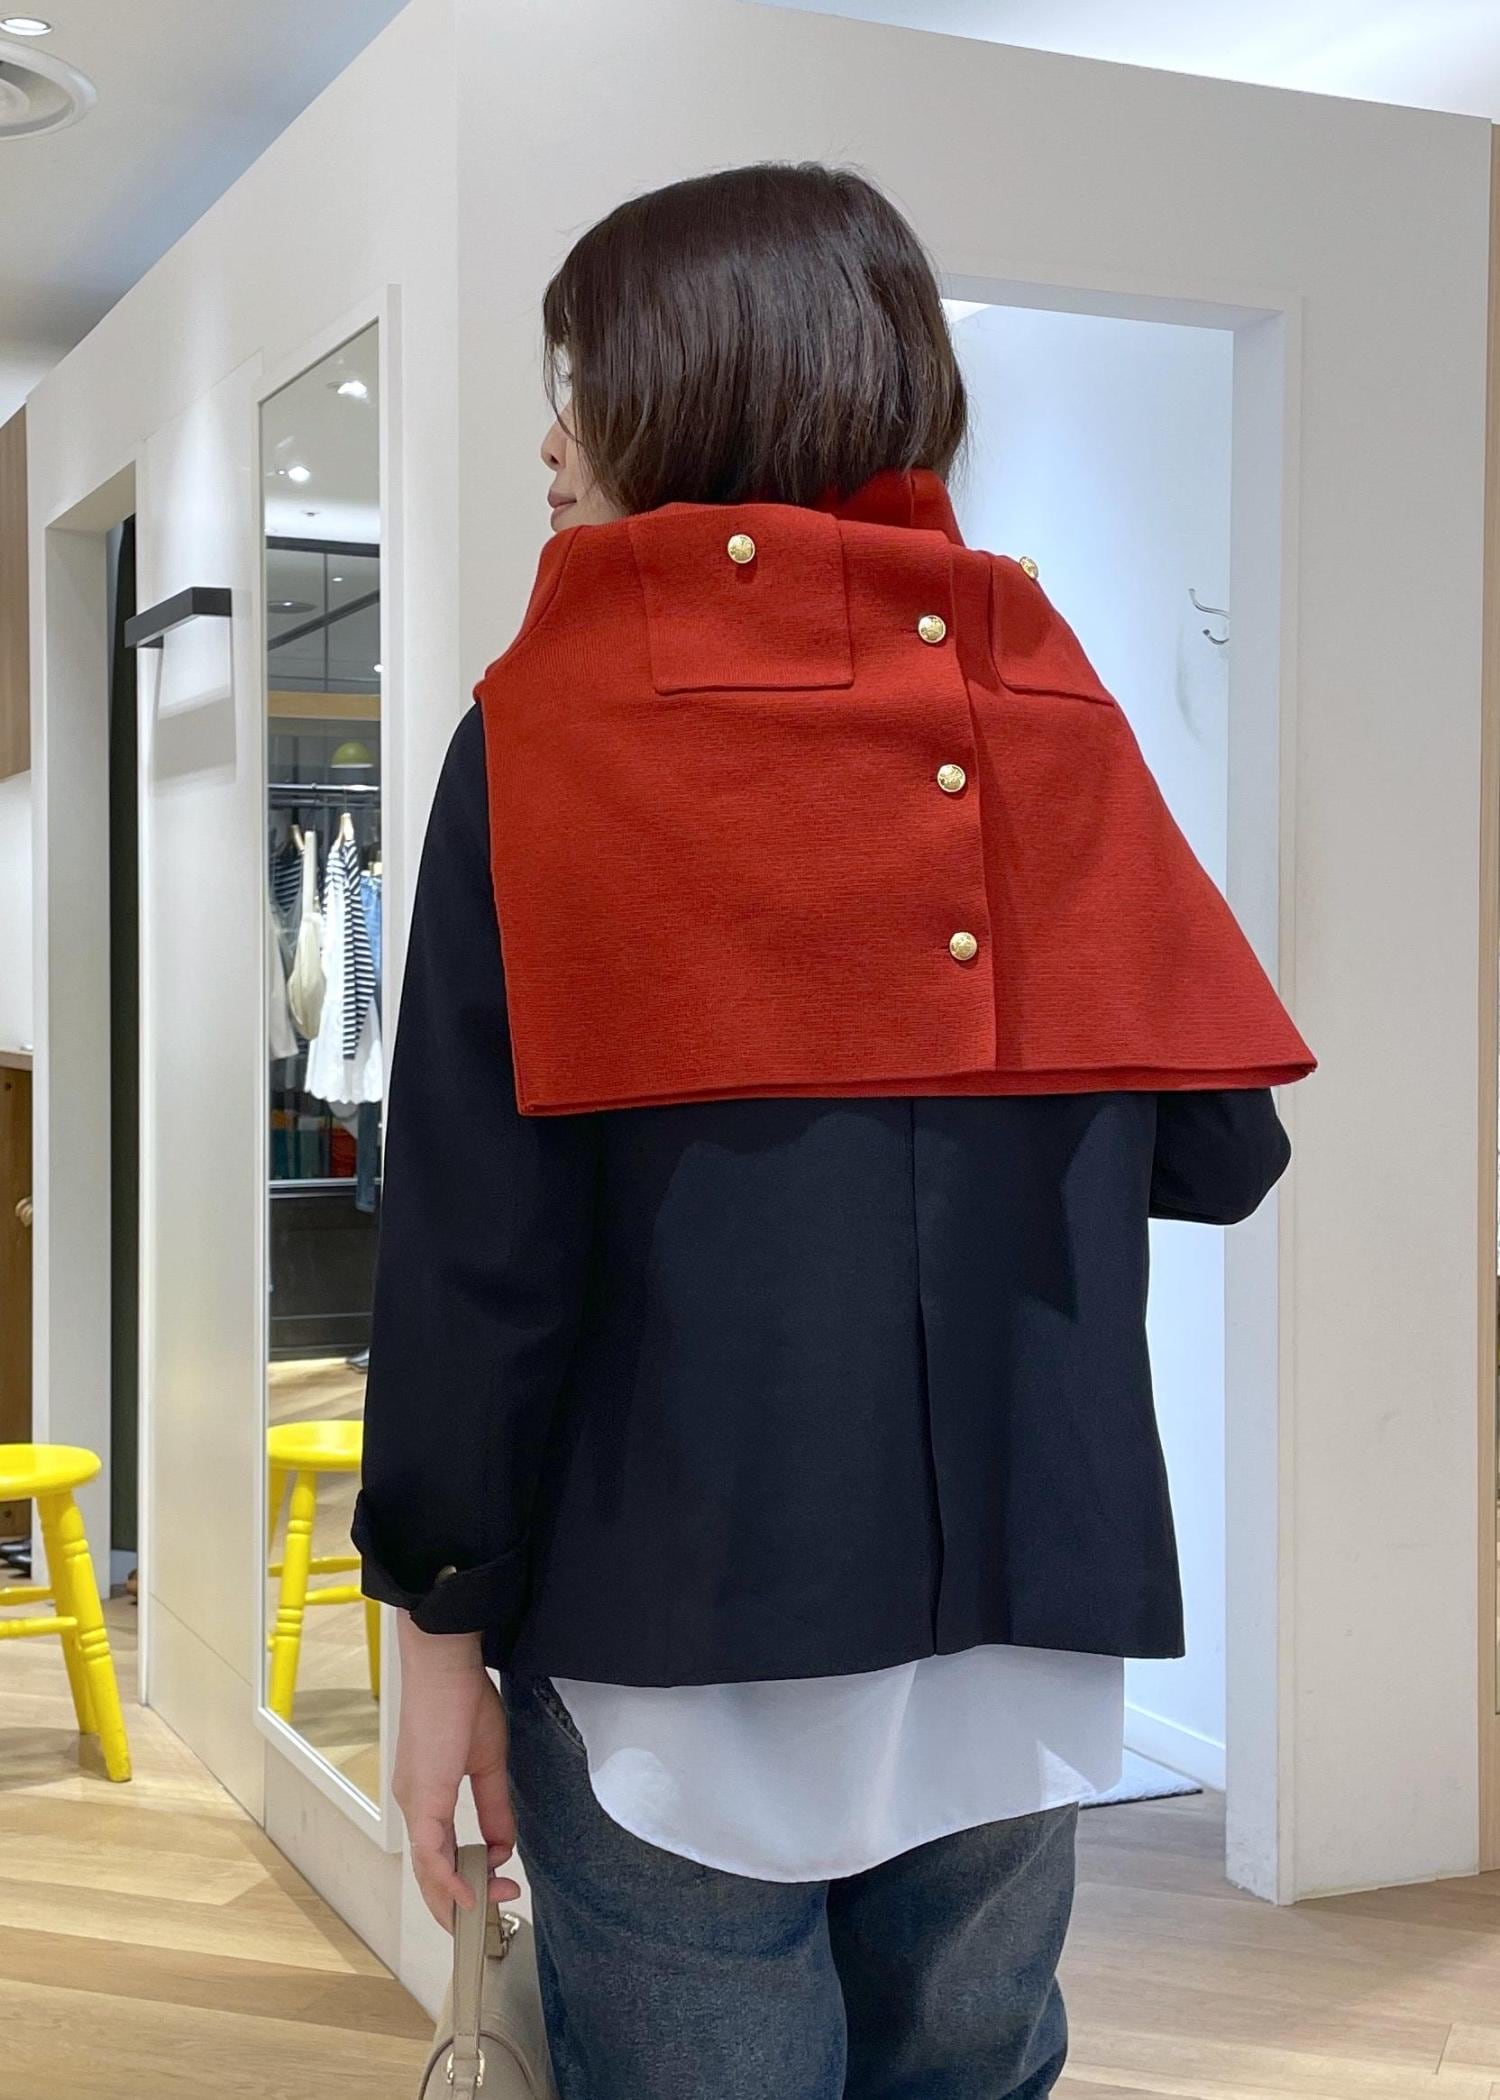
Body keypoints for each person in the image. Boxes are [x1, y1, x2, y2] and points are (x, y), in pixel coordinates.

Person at [351, 159, 1311, 2100]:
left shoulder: (544, 736)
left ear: (695, 387)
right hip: (1020, 1626)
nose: (551, 441)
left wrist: (437, 1632)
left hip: (673, 1622)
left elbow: (479, 1251)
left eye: (580, 383)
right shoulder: (1038, 702)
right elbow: (1218, 1152)